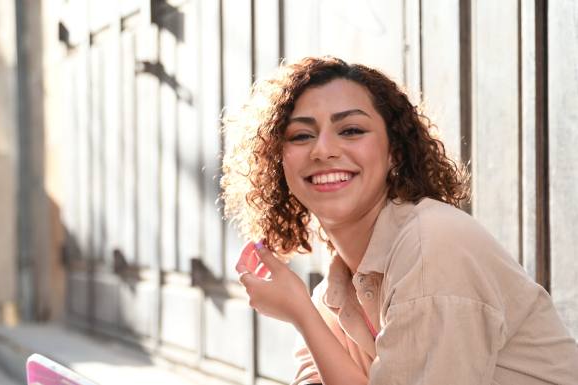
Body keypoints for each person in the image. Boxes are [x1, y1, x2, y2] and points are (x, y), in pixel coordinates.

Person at [220, 56, 578, 385]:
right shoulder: (335, 291)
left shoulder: (434, 246)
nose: (323, 149)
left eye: (351, 130)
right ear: (278, 164)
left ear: (394, 152)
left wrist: (300, 313)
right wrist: (305, 314)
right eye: (301, 135)